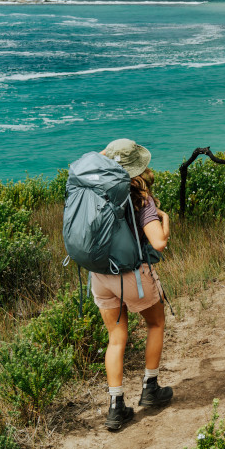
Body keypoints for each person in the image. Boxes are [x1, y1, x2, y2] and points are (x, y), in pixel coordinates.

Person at [91, 138, 173, 430]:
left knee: (116, 337)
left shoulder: (91, 190)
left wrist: (106, 157)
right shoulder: (140, 198)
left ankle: (116, 407)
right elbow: (159, 243)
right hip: (131, 275)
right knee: (156, 323)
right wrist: (164, 218)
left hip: (100, 274)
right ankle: (150, 388)